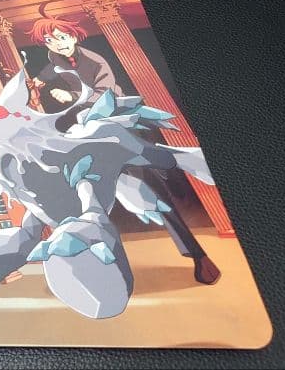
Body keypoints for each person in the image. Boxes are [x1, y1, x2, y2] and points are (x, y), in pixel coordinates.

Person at [29, 15, 221, 285]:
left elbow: (105, 95)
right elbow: (45, 74)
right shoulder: (55, 59)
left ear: (72, 35)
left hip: (115, 121)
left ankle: (197, 253)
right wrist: (34, 84)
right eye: (49, 40)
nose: (57, 44)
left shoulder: (96, 61)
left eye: (61, 37)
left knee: (154, 193)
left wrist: (70, 97)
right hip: (86, 131)